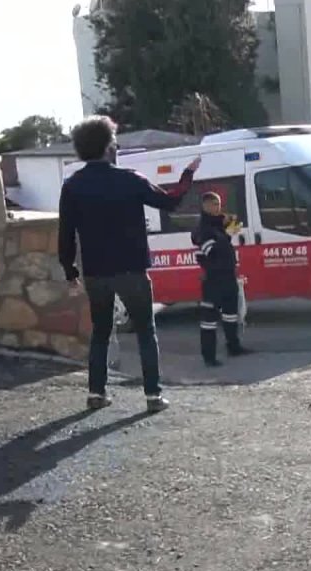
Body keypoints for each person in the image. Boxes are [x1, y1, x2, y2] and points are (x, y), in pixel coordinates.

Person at [58, 116, 201, 412]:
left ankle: (96, 394)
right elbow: (170, 201)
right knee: (146, 331)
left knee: (100, 332)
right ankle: (153, 396)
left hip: (96, 271)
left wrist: (70, 272)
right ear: (109, 146)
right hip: (131, 268)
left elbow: (66, 233)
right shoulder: (131, 179)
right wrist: (187, 175)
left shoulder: (72, 186)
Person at [191, 192, 250, 366]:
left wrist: (229, 225)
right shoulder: (202, 229)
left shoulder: (218, 226)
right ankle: (209, 357)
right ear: (205, 206)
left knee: (231, 315)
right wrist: (227, 234)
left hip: (228, 277)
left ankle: (234, 347)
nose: (217, 208)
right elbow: (213, 252)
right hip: (213, 281)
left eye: (218, 204)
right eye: (213, 204)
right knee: (209, 321)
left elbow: (225, 244)